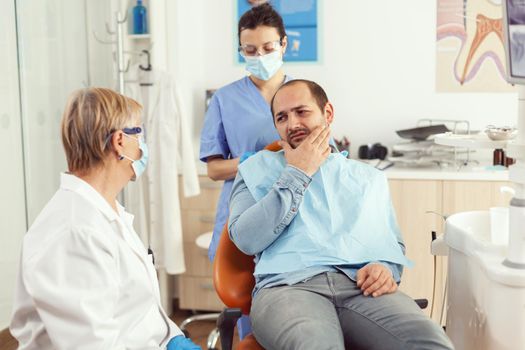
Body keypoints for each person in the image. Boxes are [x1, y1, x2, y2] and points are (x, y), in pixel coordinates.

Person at [228, 80, 454, 350]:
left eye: (302, 112)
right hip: (287, 288)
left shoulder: (367, 178)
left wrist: (385, 268)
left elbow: (391, 244)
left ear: (328, 113)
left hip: (362, 288)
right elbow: (246, 239)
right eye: (282, 117)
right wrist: (298, 173)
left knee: (431, 343)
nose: (292, 124)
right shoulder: (254, 169)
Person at [10, 88, 199, 350]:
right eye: (139, 132)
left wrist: (170, 337)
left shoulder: (106, 212)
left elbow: (133, 309)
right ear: (120, 141)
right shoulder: (74, 232)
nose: (143, 145)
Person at [199, 3, 290, 338]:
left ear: (283, 44)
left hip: (293, 214)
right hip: (243, 211)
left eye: (267, 48)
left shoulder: (300, 94)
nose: (260, 56)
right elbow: (213, 169)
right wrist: (248, 162)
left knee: (288, 310)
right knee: (248, 313)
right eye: (250, 50)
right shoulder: (225, 99)